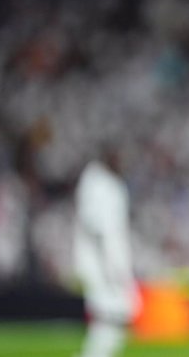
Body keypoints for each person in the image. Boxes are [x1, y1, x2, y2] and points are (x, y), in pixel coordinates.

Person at [73, 147, 140, 357]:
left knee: (119, 312)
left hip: (108, 262)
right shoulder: (98, 184)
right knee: (111, 313)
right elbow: (97, 230)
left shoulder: (108, 184)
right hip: (102, 263)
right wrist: (109, 266)